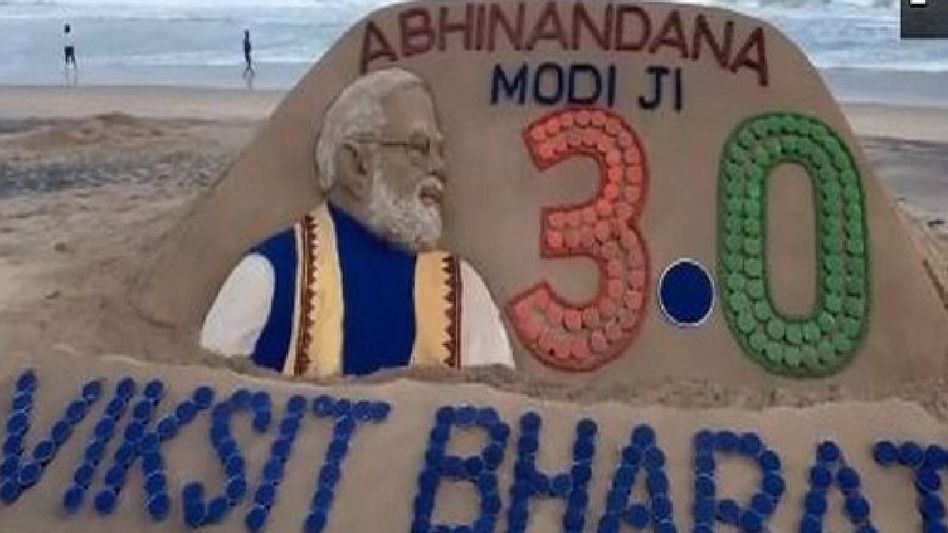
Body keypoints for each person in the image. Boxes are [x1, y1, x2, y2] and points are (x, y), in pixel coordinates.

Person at [200, 68, 514, 378]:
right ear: (356, 165)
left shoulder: (462, 290)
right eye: (419, 148)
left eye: (439, 151)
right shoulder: (268, 277)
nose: (438, 167)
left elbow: (497, 399)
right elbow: (206, 393)